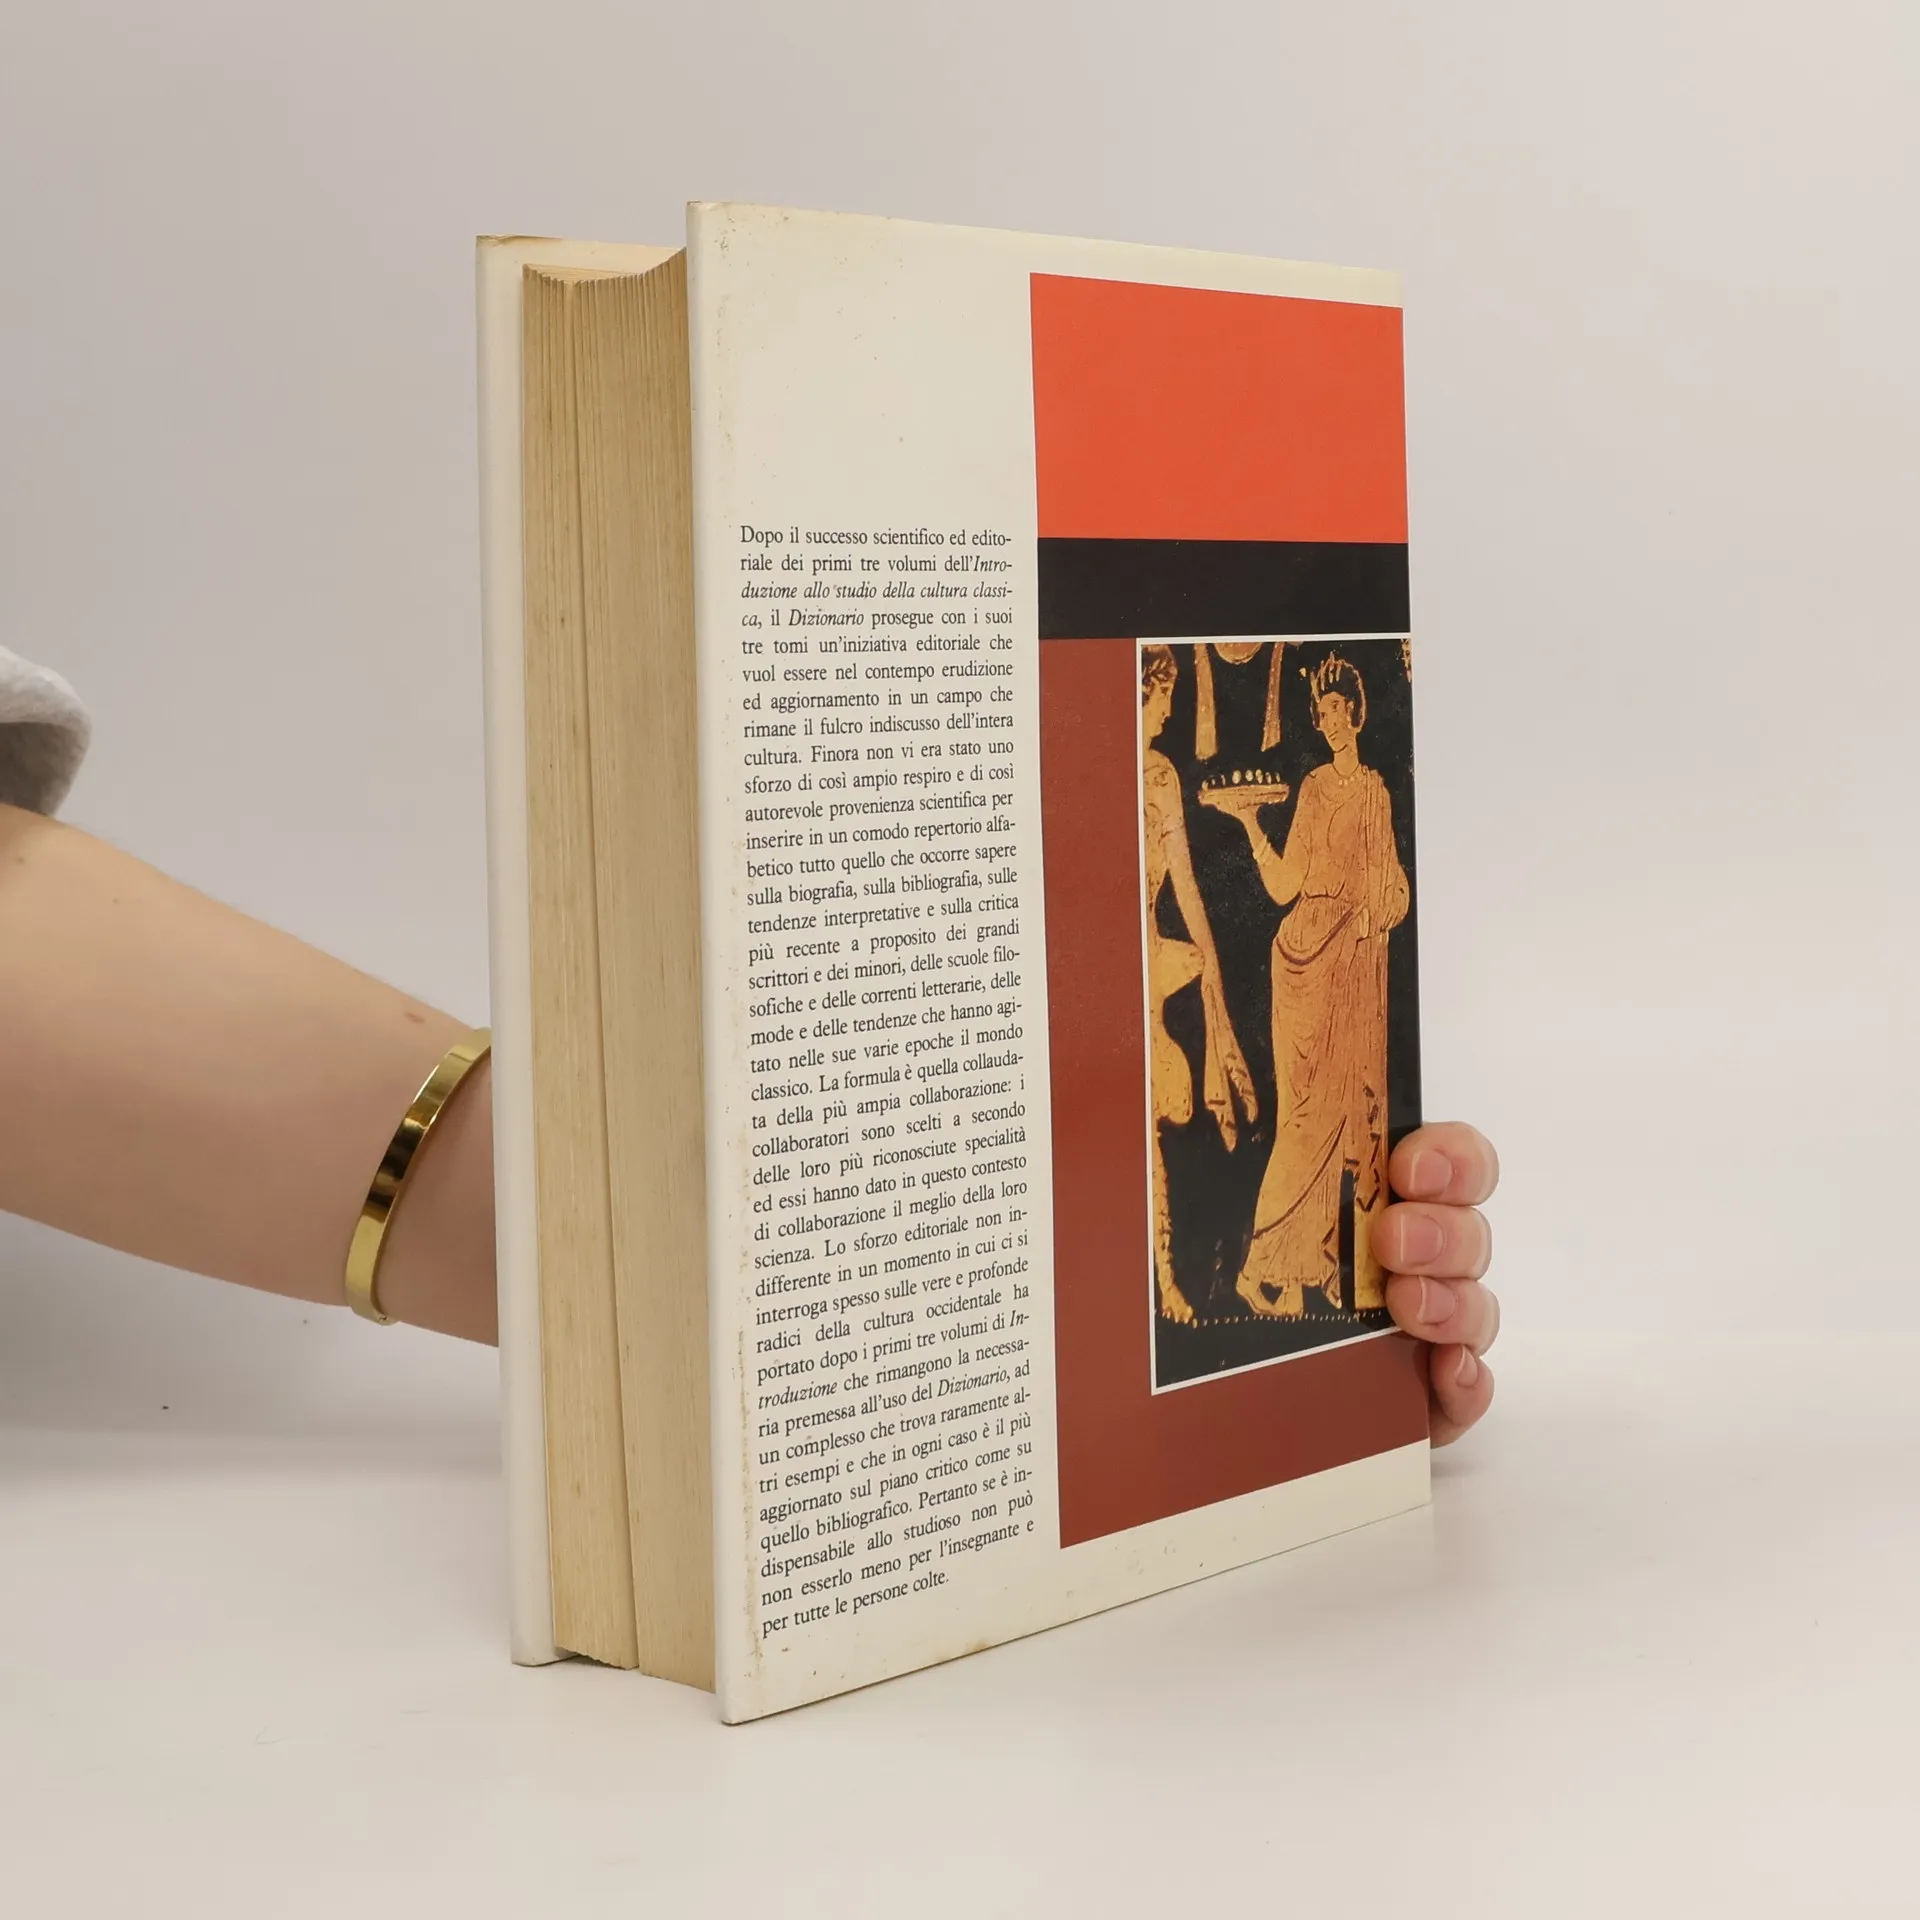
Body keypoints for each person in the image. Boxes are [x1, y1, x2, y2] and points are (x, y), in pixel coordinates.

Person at [0, 645, 1499, 1444]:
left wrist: (1215, 1400)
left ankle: (1252, 1308)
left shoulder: (1320, 793)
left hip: (1292, 984)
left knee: (1286, 1179)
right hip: (1284, 968)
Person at [1202, 652, 1410, 1322]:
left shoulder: (1374, 793)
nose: (1330, 722)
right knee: (1304, 1120)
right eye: (1322, 714)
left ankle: (1303, 1269)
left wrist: (1373, 914)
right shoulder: (1315, 789)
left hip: (1349, 958)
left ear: (1357, 713)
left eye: (1338, 710)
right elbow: (1287, 885)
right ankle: (1261, 1265)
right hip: (1302, 959)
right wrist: (1251, 826)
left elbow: (1395, 890)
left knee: (1345, 1113)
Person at [1140, 643, 1257, 1324]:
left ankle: (1175, 1277)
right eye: (1161, 696)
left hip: (1151, 955)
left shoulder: (1159, 775)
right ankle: (1160, 1279)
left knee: (1172, 1110)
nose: (1167, 710)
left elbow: (1185, 884)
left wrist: (1213, 979)